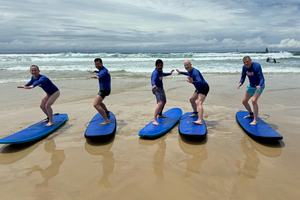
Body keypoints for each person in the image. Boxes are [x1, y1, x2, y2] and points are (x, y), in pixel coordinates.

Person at [176, 60, 209, 125]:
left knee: (198, 102)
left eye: (187, 65)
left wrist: (193, 82)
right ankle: (195, 113)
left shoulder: (195, 72)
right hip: (198, 89)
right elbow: (188, 74)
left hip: (204, 88)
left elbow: (200, 81)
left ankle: (200, 120)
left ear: (190, 64)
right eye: (185, 65)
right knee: (191, 99)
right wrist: (181, 72)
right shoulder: (190, 71)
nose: (186, 66)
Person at [238, 56, 265, 125]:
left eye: (247, 61)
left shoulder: (256, 66)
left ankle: (255, 120)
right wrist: (240, 83)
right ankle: (251, 114)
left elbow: (262, 78)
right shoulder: (244, 67)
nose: (246, 63)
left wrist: (259, 85)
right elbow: (243, 77)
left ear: (250, 60)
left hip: (259, 86)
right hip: (251, 86)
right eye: (244, 62)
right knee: (244, 101)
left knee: (253, 100)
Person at [87, 58, 111, 125]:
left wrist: (98, 76)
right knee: (100, 103)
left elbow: (102, 73)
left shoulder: (104, 70)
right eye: (96, 64)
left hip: (104, 90)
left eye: (98, 64)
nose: (97, 65)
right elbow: (100, 72)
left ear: (101, 64)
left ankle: (106, 120)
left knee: (95, 104)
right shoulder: (101, 70)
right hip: (105, 89)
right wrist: (94, 71)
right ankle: (107, 113)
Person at [151, 59, 174, 125]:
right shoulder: (155, 73)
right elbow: (153, 79)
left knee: (164, 101)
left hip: (161, 88)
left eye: (161, 65)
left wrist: (169, 73)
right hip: (156, 88)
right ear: (156, 66)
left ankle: (160, 114)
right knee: (160, 103)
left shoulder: (160, 71)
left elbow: (162, 74)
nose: (160, 67)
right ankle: (154, 120)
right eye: (159, 66)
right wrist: (154, 85)